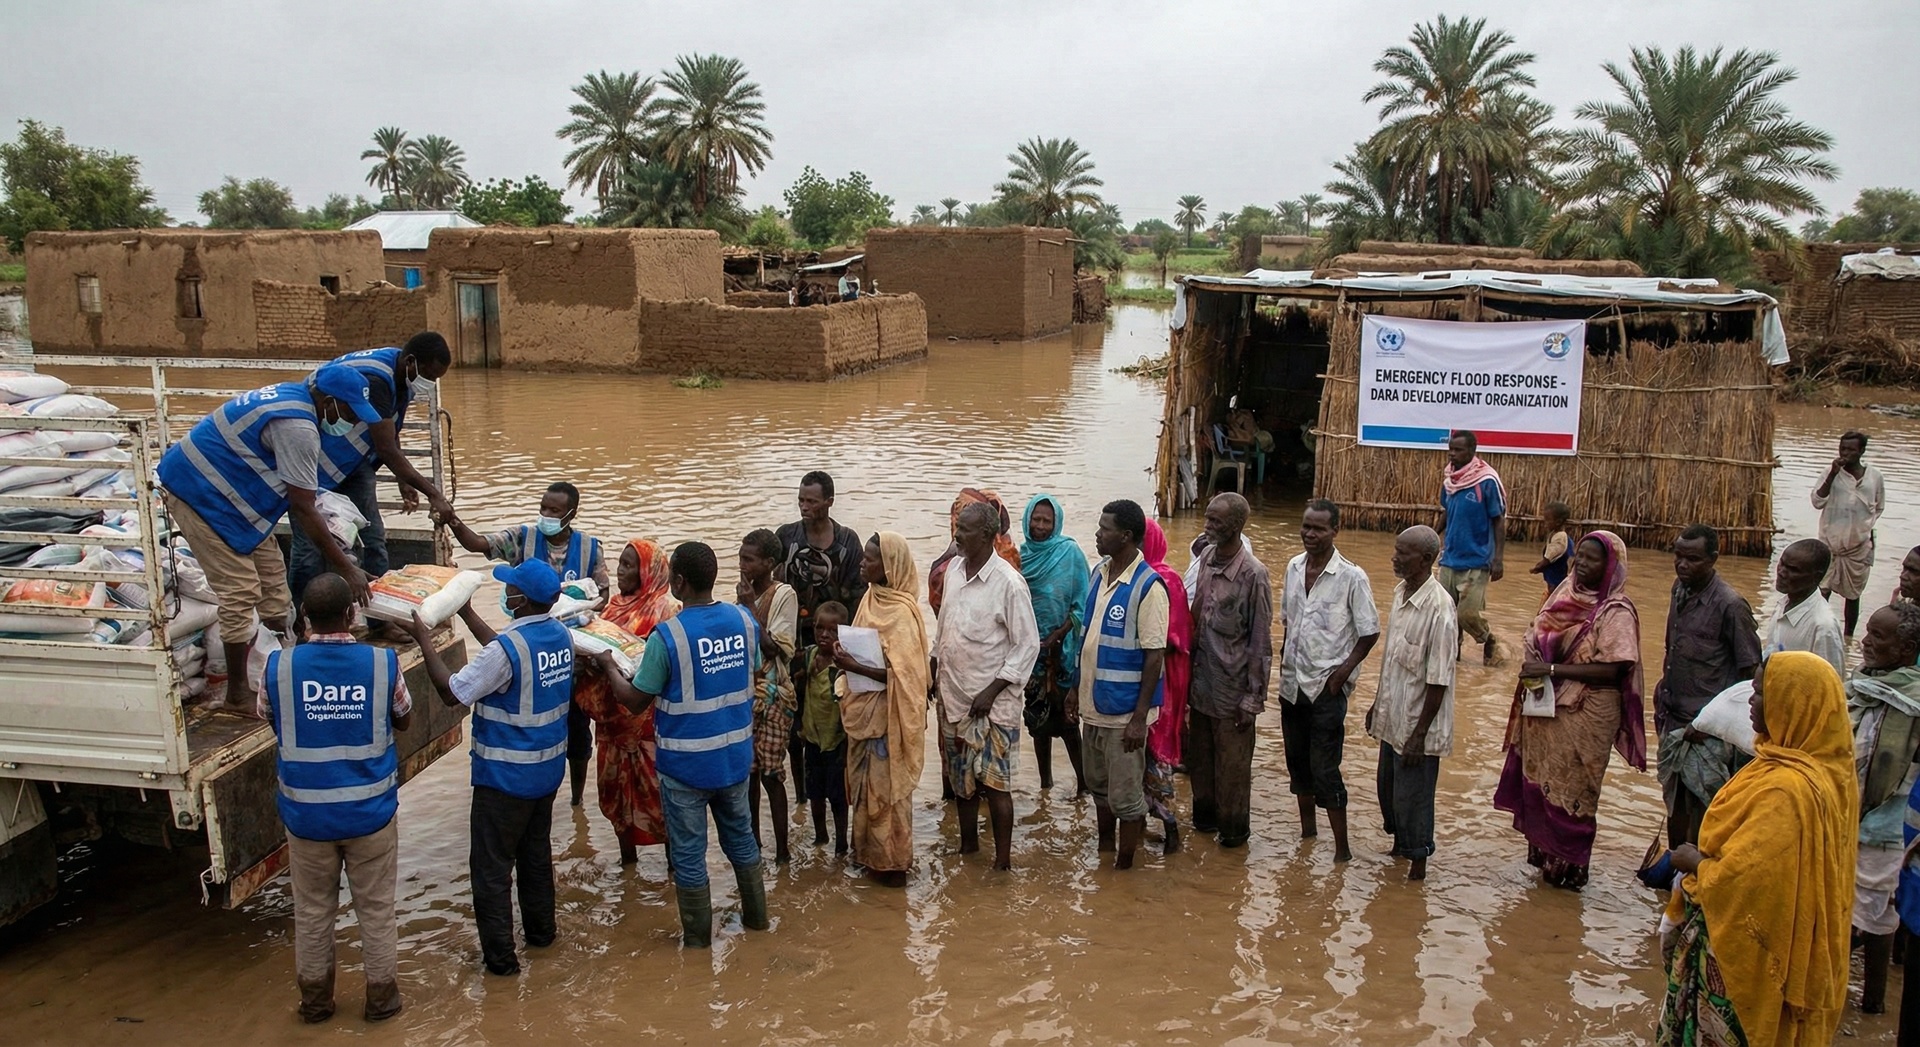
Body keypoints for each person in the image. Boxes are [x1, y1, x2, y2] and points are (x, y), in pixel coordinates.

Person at [157, 363, 382, 715]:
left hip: (236, 499)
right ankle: (237, 695)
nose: (352, 422)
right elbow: (303, 508)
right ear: (329, 403)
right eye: (350, 412)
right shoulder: (298, 426)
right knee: (241, 589)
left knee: (275, 587)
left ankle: (279, 664)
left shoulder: (298, 402)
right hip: (199, 493)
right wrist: (346, 568)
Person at [1658, 652, 1855, 1047]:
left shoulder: (1787, 790)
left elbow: (1751, 882)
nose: (1750, 699)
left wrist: (1696, 862)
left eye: (1763, 693)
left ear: (1793, 705)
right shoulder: (1816, 770)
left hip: (1743, 957)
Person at [593, 542, 767, 948]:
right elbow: (754, 669)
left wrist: (607, 665)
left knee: (689, 856)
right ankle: (759, 923)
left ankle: (697, 944)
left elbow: (636, 699)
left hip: (685, 767)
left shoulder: (667, 636)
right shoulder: (743, 620)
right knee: (741, 840)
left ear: (679, 582)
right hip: (734, 757)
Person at [405, 559, 573, 976]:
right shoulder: (560, 634)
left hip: (504, 779)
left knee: (492, 871)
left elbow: (453, 693)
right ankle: (542, 937)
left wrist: (424, 640)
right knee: (535, 858)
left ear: (520, 599)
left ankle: (501, 964)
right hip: (546, 772)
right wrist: (465, 611)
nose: (507, 593)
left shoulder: (506, 651)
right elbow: (503, 653)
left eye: (511, 589)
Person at [261, 574, 410, 1024]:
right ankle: (382, 1002)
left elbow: (272, 719)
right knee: (378, 911)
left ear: (304, 617)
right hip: (371, 816)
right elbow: (402, 718)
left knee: (311, 914)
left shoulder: (278, 666)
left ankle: (315, 1005)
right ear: (352, 614)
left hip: (307, 819)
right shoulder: (383, 664)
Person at [1493, 531, 1646, 891]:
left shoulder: (1616, 610)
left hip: (1588, 712)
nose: (1583, 565)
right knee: (1542, 778)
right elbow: (1536, 634)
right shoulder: (1563, 593)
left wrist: (1551, 670)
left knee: (1574, 788)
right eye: (1580, 558)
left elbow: (1614, 668)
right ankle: (1545, 868)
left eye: (1594, 560)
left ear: (1611, 566)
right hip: (1545, 707)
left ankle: (1570, 871)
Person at [444, 482, 609, 808]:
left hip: (572, 654)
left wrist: (576, 602)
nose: (545, 515)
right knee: (528, 721)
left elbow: (603, 594)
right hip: (528, 644)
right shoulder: (524, 537)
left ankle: (575, 801)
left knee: (577, 730)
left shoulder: (590, 548)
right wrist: (453, 520)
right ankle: (532, 790)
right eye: (543, 507)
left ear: (571, 514)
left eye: (554, 511)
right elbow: (479, 544)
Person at [289, 334, 457, 615]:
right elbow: (386, 448)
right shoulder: (376, 379)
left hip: (354, 462)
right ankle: (302, 619)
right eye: (428, 375)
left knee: (373, 538)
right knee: (308, 549)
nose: (429, 382)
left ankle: (381, 616)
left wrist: (404, 481)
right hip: (312, 462)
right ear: (412, 362)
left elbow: (390, 427)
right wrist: (435, 495)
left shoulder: (400, 373)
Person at [934, 503, 1041, 871]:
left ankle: (1003, 862)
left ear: (986, 536)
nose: (956, 535)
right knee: (961, 783)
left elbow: (1028, 644)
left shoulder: (1009, 583)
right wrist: (935, 664)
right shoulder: (954, 571)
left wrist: (992, 691)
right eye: (956, 527)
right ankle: (967, 849)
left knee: (996, 786)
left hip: (992, 704)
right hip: (954, 695)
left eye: (963, 530)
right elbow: (945, 625)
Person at [1278, 499, 1379, 863]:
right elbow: (1288, 619)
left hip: (1326, 686)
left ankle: (1342, 851)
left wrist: (1342, 673)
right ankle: (1307, 835)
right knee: (1297, 764)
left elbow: (1369, 632)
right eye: (1306, 526)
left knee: (1326, 768)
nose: (1309, 534)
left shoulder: (1351, 576)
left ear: (1335, 530)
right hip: (1292, 684)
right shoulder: (1292, 567)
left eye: (1318, 528)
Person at [570, 538, 677, 866]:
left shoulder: (666, 609)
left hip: (648, 725)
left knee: (660, 801)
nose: (621, 570)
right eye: (621, 562)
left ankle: (675, 868)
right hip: (612, 725)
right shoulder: (612, 607)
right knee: (616, 797)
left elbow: (666, 665)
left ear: (650, 571)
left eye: (630, 565)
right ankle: (627, 867)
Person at [1655, 525, 1763, 848]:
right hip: (1673, 718)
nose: (1683, 565)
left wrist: (1713, 723)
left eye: (1693, 559)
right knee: (1674, 804)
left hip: (1706, 733)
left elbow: (1750, 677)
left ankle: (1695, 886)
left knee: (1705, 813)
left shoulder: (1730, 606)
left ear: (1714, 559)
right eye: (1678, 556)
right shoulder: (1679, 590)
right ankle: (1674, 883)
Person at [835, 532, 930, 886]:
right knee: (863, 792)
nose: (862, 563)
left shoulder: (902, 614)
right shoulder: (870, 599)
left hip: (890, 723)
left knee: (887, 796)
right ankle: (869, 860)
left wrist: (853, 666)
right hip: (865, 713)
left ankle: (892, 868)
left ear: (888, 566)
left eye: (870, 558)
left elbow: (907, 678)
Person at [1077, 498, 1166, 869]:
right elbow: (1087, 637)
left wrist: (1138, 719)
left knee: (1127, 799)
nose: (1098, 534)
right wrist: (1072, 690)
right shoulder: (1099, 572)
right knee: (1099, 789)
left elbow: (1155, 656)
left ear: (1126, 536)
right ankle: (1104, 853)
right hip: (1093, 705)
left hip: (1124, 713)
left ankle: (1124, 869)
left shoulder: (1149, 587)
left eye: (1105, 529)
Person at [1366, 525, 1457, 882]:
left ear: (1427, 560)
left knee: (1415, 801)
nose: (1395, 557)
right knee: (1389, 793)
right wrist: (1377, 704)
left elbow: (1438, 680)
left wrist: (1420, 734)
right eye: (1396, 549)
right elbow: (1391, 660)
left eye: (1403, 553)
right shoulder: (1401, 593)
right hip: (1393, 719)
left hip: (1419, 726)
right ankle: (1398, 851)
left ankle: (1416, 870)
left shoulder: (1441, 609)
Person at [1844, 603, 1920, 1014]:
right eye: (1868, 633)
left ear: (1907, 649)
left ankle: (1873, 1003)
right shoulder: (1863, 686)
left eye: (1879, 637)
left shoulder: (1915, 701)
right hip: (1848, 818)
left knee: (1877, 920)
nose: (1867, 643)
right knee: (1845, 909)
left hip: (1889, 829)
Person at [775, 469, 868, 800]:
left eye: (811, 501)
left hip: (834, 647)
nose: (804, 506)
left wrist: (847, 651)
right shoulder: (786, 537)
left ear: (829, 502)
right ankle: (803, 795)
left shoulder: (848, 542)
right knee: (794, 724)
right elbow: (772, 588)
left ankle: (837, 793)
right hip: (793, 647)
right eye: (801, 499)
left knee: (836, 721)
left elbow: (858, 601)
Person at [1187, 492, 1273, 849]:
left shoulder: (1254, 574)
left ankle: (1234, 844)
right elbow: (1194, 615)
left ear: (1237, 526)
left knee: (1233, 775)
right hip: (1200, 686)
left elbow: (1260, 643)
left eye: (1216, 522)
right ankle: (1203, 835)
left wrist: (1252, 700)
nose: (1208, 527)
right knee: (1200, 768)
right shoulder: (1206, 557)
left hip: (1232, 693)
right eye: (1207, 519)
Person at [1017, 493, 1090, 794]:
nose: (1041, 526)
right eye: (1036, 519)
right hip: (1030, 654)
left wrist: (1059, 634)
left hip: (1062, 653)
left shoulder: (1069, 553)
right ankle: (1045, 785)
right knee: (1038, 723)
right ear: (1027, 520)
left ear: (1057, 522)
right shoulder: (1019, 556)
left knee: (1068, 723)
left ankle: (1084, 785)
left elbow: (1082, 604)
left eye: (1048, 521)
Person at [738, 528, 799, 865]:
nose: (742, 565)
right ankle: (754, 845)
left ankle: (783, 850)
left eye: (749, 559)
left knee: (772, 774)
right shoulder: (744, 595)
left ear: (770, 563)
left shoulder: (783, 595)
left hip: (775, 696)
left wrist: (747, 607)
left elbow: (776, 648)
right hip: (749, 695)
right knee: (748, 773)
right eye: (741, 558)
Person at [1141, 520, 1192, 855]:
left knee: (1156, 746)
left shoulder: (1166, 579)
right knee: (1139, 751)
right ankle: (1144, 820)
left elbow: (1172, 638)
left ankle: (1169, 823)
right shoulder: (1131, 577)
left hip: (1163, 676)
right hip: (1145, 673)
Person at [1437, 430, 1506, 665]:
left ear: (1472, 452)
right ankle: (1452, 661)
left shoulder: (1486, 481)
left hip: (1477, 560)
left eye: (1458, 450)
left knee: (1467, 614)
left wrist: (1498, 558)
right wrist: (1431, 535)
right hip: (1449, 558)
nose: (1452, 455)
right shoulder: (1450, 481)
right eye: (1450, 450)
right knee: (1446, 615)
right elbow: (1447, 512)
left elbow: (1498, 520)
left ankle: (1488, 639)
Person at [1813, 429, 1886, 638]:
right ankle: (1818, 631)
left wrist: (1861, 529)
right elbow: (1817, 501)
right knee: (1821, 591)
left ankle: (1848, 638)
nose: (1845, 453)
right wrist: (1832, 475)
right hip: (1830, 544)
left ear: (1861, 451)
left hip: (1859, 548)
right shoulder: (1831, 472)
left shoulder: (1874, 477)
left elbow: (1878, 507)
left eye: (1851, 450)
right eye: (1842, 448)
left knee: (1853, 595)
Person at [795, 600, 850, 854]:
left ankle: (841, 843)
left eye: (833, 631)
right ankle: (820, 837)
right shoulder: (808, 657)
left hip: (836, 740)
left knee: (838, 797)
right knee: (815, 794)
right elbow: (797, 691)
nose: (824, 635)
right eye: (819, 629)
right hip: (813, 738)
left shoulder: (843, 665)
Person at [929, 487, 1021, 616]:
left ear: (985, 532)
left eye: (966, 527)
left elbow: (1022, 632)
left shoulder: (1009, 579)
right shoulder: (949, 569)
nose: (957, 533)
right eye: (958, 523)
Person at [1767, 538, 1844, 676]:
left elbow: (1832, 682)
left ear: (1816, 577)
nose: (1782, 572)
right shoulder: (1783, 605)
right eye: (1782, 564)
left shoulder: (1823, 625)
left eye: (1793, 570)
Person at [1529, 501, 1573, 596]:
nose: (1545, 523)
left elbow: (1548, 558)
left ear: (1558, 522)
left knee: (1554, 593)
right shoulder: (1556, 534)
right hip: (1557, 576)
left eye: (1547, 520)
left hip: (1558, 578)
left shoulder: (1560, 537)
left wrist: (1538, 567)